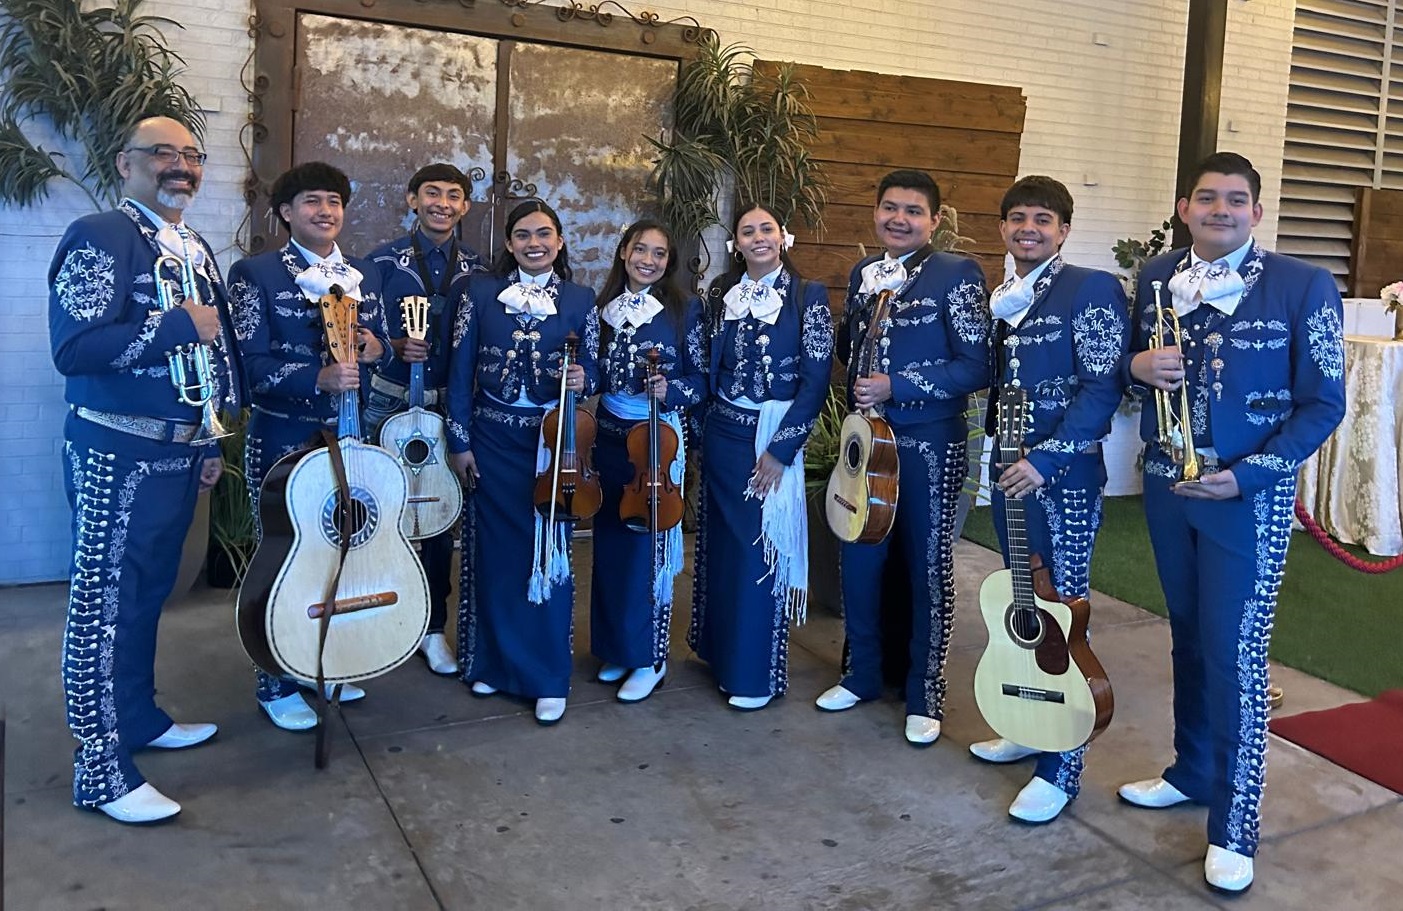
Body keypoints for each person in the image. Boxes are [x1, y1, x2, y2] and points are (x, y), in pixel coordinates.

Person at [1120, 152, 1345, 893]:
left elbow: (1323, 404)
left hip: (1245, 494)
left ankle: (1235, 822)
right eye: (1206, 198)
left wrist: (1248, 475)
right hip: (1165, 483)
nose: (1220, 210)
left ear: (1256, 211)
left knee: (1234, 653)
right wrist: (1136, 368)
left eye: (1235, 199)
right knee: (1185, 635)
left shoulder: (1301, 284)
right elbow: (1131, 362)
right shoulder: (1155, 277)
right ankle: (1191, 771)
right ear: (1183, 207)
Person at [49, 115, 244, 824]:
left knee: (146, 594)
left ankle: (136, 717)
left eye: (191, 154)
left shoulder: (192, 245)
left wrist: (206, 437)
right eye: (162, 152)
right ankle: (99, 770)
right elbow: (74, 350)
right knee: (102, 607)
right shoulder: (102, 235)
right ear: (125, 163)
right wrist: (172, 327)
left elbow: (213, 355)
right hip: (114, 451)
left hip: (176, 449)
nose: (180, 165)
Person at [966, 176, 1128, 822]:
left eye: (1041, 219)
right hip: (1008, 465)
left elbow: (1101, 386)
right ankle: (1029, 723)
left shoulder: (1087, 288)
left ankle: (1060, 767)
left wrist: (1045, 459)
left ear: (1062, 229)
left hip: (1059, 473)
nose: (1027, 228)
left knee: (1062, 612)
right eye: (1015, 218)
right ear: (1002, 228)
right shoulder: (1004, 294)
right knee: (1020, 599)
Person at [813, 170, 991, 745]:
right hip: (867, 438)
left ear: (934, 220)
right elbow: (850, 344)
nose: (899, 219)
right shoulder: (864, 273)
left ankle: (924, 694)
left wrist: (899, 384)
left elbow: (976, 365)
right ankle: (861, 673)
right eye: (889, 207)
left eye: (913, 211)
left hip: (927, 444)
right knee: (860, 556)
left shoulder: (956, 274)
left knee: (925, 566)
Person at [227, 162, 391, 731]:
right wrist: (314, 378)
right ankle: (274, 680)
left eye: (334, 201)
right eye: (312, 201)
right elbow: (247, 366)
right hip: (282, 438)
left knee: (344, 548)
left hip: (351, 435)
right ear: (286, 213)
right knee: (280, 557)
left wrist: (376, 348)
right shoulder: (257, 274)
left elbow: (384, 345)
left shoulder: (362, 271)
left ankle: (327, 661)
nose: (325, 211)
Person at [446, 199, 599, 726]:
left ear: (559, 242)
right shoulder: (481, 293)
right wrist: (460, 442)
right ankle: (491, 664)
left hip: (551, 446)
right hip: (490, 440)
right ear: (509, 244)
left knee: (549, 557)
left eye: (545, 234)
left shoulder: (580, 298)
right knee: (494, 556)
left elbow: (595, 367)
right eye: (523, 235)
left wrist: (586, 381)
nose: (535, 243)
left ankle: (546, 677)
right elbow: (460, 371)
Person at [690, 202, 833, 712]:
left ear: (783, 237)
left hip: (769, 439)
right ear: (736, 244)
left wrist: (781, 449)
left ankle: (753, 674)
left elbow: (815, 383)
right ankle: (718, 654)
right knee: (723, 548)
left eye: (766, 229)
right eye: (747, 231)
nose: (757, 238)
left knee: (759, 552)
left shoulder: (807, 296)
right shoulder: (718, 296)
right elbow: (706, 368)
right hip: (723, 435)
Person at [364, 163, 486, 675]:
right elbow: (358, 335)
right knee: (377, 512)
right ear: (412, 200)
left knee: (437, 519)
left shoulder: (480, 269)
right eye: (431, 193)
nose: (442, 202)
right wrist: (392, 346)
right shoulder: (379, 262)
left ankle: (433, 626)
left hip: (450, 406)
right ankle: (380, 620)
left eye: (453, 195)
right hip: (389, 402)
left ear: (464, 206)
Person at [590, 219, 708, 703]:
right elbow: (597, 371)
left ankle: (651, 657)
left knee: (650, 552)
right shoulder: (604, 309)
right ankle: (618, 647)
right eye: (641, 249)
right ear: (623, 253)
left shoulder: (685, 310)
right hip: (610, 435)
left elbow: (701, 379)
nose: (649, 260)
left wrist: (671, 389)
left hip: (658, 441)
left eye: (660, 254)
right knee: (613, 545)